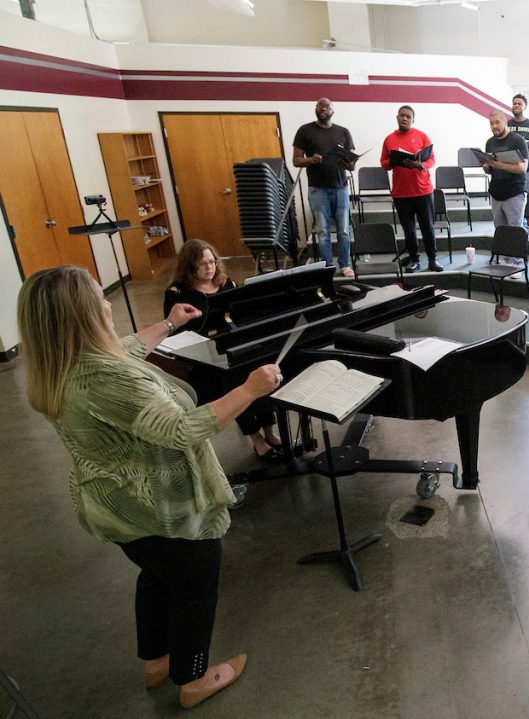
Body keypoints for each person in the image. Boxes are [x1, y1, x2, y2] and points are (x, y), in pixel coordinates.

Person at [17, 265, 282, 709]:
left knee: (158, 577)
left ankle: (155, 661)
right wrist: (250, 390)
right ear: (82, 315)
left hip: (119, 508)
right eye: (98, 298)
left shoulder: (62, 365)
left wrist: (169, 324)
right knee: (196, 585)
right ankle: (191, 679)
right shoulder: (106, 381)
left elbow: (123, 350)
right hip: (164, 506)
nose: (107, 304)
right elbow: (182, 429)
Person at [164, 239, 283, 460]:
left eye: (212, 262)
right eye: (203, 264)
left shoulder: (227, 283)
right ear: (190, 266)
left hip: (237, 346)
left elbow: (244, 314)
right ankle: (256, 438)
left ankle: (270, 430)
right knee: (235, 383)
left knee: (261, 370)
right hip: (206, 359)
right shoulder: (177, 293)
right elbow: (174, 331)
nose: (210, 268)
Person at [292, 97, 357, 276]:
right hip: (317, 189)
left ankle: (345, 265)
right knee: (323, 231)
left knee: (344, 230)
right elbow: (296, 160)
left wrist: (350, 164)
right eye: (321, 106)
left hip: (341, 187)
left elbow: (351, 164)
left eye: (328, 106)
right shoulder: (305, 131)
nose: (324, 109)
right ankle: (327, 266)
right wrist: (311, 160)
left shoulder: (343, 132)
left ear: (332, 110)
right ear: (316, 109)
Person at [380, 105, 441, 272]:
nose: (404, 118)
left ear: (413, 120)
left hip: (423, 190)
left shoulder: (422, 136)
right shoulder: (389, 139)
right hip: (401, 192)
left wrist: (420, 164)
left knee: (427, 226)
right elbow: (384, 164)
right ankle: (414, 259)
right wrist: (394, 161)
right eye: (402, 115)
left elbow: (432, 160)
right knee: (409, 228)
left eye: (408, 116)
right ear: (397, 117)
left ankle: (432, 260)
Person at [482, 109, 529, 227]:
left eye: (497, 122)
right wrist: (486, 166)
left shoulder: (518, 140)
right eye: (491, 123)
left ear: (505, 122)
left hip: (514, 194)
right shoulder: (489, 142)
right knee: (500, 233)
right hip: (495, 194)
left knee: (514, 234)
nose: (494, 126)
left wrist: (500, 165)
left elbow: (523, 168)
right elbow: (490, 170)